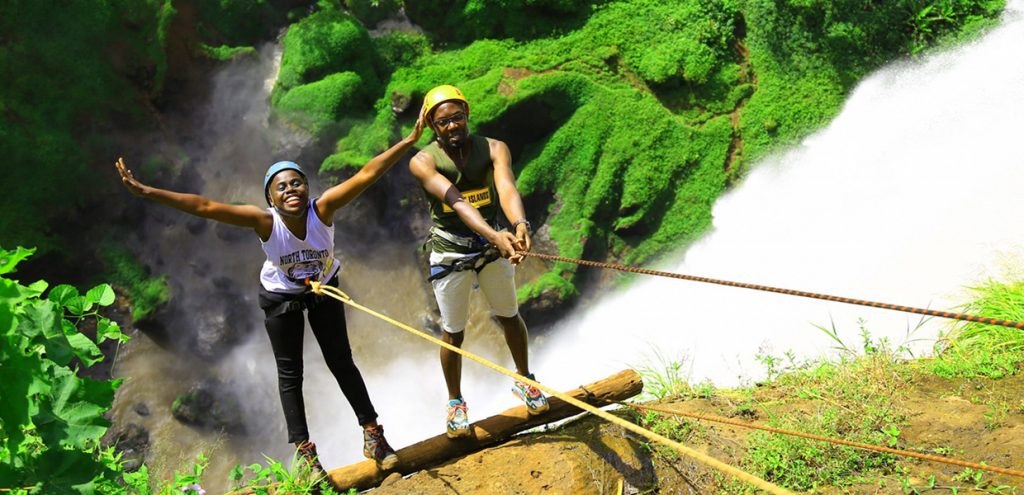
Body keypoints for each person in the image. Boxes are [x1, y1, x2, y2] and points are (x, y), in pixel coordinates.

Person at [114, 114, 424, 476]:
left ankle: (373, 435)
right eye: (282, 187)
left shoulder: (322, 211)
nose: (291, 189)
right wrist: (149, 192)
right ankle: (307, 455)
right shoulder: (264, 222)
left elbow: (367, 174)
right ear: (271, 200)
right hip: (281, 298)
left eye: (297, 183)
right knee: (291, 374)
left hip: (324, 290)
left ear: (307, 189)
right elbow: (205, 207)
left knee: (341, 361)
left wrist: (408, 141)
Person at [409, 84, 549, 439]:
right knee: (453, 331)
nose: (453, 126)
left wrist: (519, 225)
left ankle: (525, 380)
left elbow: (505, 188)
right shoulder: (423, 162)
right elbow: (456, 201)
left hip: (492, 246)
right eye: (443, 122)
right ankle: (455, 400)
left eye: (457, 118)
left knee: (509, 315)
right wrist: (495, 236)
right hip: (452, 250)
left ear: (467, 115)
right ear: (432, 127)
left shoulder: (494, 148)